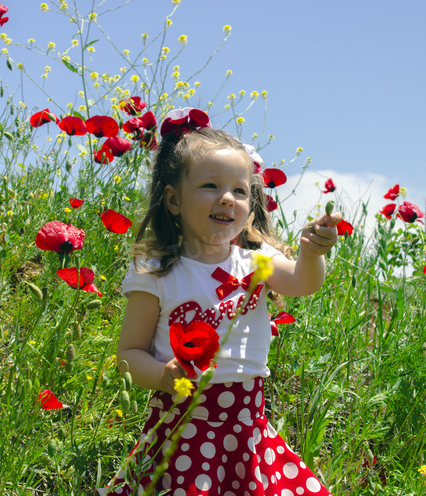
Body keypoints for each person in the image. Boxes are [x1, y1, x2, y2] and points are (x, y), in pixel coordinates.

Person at [104, 108, 341, 496]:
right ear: (174, 200)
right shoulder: (159, 272)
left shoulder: (258, 261)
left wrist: (312, 255)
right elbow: (128, 353)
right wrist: (162, 374)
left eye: (241, 190)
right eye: (211, 186)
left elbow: (302, 283)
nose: (227, 198)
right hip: (181, 427)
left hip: (248, 425)